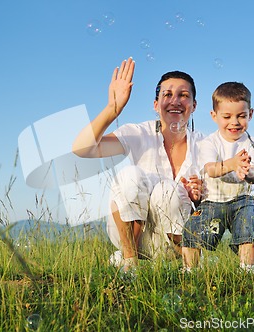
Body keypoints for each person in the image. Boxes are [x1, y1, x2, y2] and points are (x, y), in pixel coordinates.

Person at [72, 57, 204, 271]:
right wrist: (112, 109)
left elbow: (215, 206)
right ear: (155, 104)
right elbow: (82, 148)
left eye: (184, 96)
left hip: (175, 243)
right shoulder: (138, 133)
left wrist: (200, 197)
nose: (175, 101)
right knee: (129, 175)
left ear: (194, 106)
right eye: (167, 95)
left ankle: (189, 268)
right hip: (134, 237)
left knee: (167, 190)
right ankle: (130, 262)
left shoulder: (205, 145)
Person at [181, 81, 254, 272]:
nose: (234, 122)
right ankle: (190, 270)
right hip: (213, 201)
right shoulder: (210, 142)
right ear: (214, 116)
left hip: (244, 199)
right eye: (227, 116)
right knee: (192, 230)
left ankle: (246, 270)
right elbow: (210, 169)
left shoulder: (252, 143)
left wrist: (247, 173)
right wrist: (233, 164)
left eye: (241, 116)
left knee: (246, 230)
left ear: (250, 114)